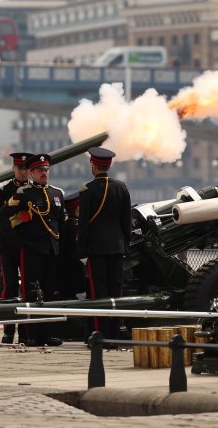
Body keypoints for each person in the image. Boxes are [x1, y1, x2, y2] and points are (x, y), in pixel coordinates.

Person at [0, 153, 64, 347]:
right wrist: (18, 242)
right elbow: (2, 217)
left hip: (52, 250)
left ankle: (47, 333)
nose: (44, 173)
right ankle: (29, 335)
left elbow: (60, 222)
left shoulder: (56, 193)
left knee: (49, 293)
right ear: (32, 173)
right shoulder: (24, 194)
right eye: (40, 170)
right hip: (32, 250)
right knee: (31, 293)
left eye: (46, 170)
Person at [77, 147, 132, 343]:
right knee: (116, 291)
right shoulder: (121, 188)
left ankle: (100, 335)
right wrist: (125, 244)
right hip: (117, 248)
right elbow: (127, 222)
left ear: (93, 165)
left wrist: (81, 251)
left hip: (97, 249)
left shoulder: (87, 190)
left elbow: (83, 224)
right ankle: (114, 335)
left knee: (98, 292)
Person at [0, 152, 30, 344]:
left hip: (27, 245)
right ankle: (8, 330)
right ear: (14, 168)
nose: (23, 172)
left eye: (26, 168)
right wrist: (18, 220)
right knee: (10, 287)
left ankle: (25, 331)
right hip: (7, 245)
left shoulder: (33, 189)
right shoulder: (3, 189)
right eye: (20, 168)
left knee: (28, 289)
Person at [58, 192, 86, 301]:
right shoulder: (78, 227)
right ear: (78, 209)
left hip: (64, 277)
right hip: (77, 277)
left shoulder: (64, 225)